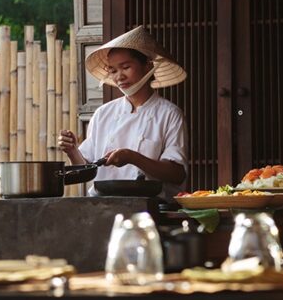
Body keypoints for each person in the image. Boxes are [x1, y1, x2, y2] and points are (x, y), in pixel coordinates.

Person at [58, 26, 188, 200]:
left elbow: (177, 173)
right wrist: (72, 150)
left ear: (148, 66)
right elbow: (85, 171)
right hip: (101, 204)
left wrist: (133, 157)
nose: (119, 76)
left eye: (126, 67)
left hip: (149, 207)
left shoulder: (169, 114)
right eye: (113, 71)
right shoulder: (103, 114)